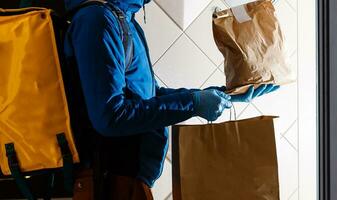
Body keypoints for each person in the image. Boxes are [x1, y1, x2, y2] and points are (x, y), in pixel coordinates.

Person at [63, 0, 279, 199]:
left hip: (130, 181)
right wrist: (193, 103)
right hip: (109, 183)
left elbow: (149, 95)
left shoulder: (124, 19)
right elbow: (110, 117)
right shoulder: (97, 20)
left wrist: (223, 95)